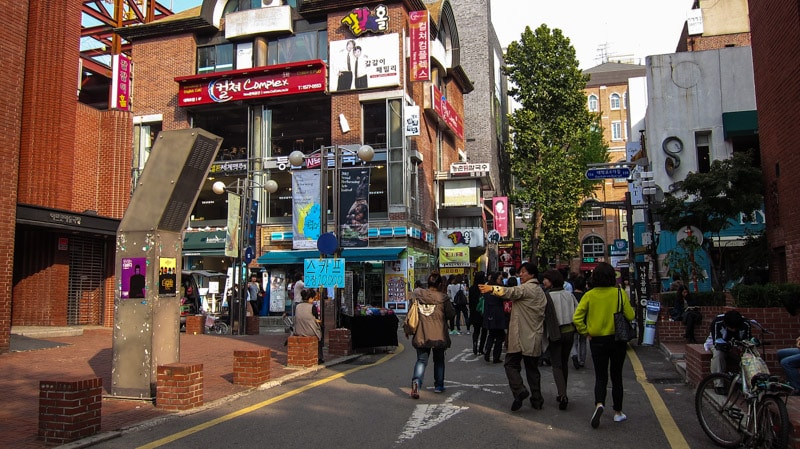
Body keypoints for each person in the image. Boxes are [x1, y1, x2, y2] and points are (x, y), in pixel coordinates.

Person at [573, 262, 635, 428]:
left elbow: (577, 318)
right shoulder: (619, 293)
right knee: (616, 376)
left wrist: (586, 332)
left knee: (600, 376)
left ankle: (599, 403)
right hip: (617, 340)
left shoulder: (589, 295)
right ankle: (618, 412)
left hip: (596, 340)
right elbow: (630, 314)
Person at [479, 262, 547, 412]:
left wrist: (492, 288)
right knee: (532, 368)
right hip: (534, 335)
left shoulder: (527, 288)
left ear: (532, 274)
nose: (520, 275)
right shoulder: (540, 290)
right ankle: (537, 399)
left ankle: (519, 390)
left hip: (521, 334)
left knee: (510, 364)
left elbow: (512, 292)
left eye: (523, 272)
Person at [407, 272, 455, 398]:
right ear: (439, 284)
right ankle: (439, 386)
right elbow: (451, 314)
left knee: (421, 360)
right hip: (438, 334)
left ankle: (416, 383)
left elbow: (411, 313)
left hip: (422, 332)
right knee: (439, 360)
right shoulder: (443, 298)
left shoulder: (418, 295)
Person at [542, 269, 579, 410]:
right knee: (564, 362)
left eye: (546, 279)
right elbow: (577, 312)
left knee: (556, 364)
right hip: (569, 332)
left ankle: (562, 394)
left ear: (552, 281)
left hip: (555, 333)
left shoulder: (547, 296)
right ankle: (563, 391)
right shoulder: (569, 295)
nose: (544, 281)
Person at [703, 309, 752, 393]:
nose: (733, 330)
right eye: (731, 328)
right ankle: (719, 385)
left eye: (735, 328)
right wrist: (726, 346)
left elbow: (747, 341)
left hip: (737, 345)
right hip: (718, 344)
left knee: (749, 356)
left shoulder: (745, 323)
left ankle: (748, 384)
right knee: (718, 354)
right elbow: (716, 341)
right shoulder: (717, 321)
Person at [483, 271, 507, 363]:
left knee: (492, 334)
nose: (502, 280)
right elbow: (505, 297)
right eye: (500, 279)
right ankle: (496, 356)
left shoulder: (487, 288)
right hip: (498, 313)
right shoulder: (497, 288)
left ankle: (487, 351)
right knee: (500, 336)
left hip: (489, 313)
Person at [294, 289, 323, 364]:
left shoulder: (297, 306)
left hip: (298, 330)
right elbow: (316, 318)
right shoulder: (312, 307)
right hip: (310, 331)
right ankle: (319, 357)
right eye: (313, 298)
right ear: (310, 298)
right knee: (319, 335)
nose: (313, 300)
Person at [570, 275, 588, 369]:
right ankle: (582, 361)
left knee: (574, 341)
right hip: (584, 322)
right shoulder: (586, 296)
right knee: (583, 341)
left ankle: (574, 354)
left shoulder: (570, 296)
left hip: (573, 321)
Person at [468, 271, 488, 355]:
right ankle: (481, 348)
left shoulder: (472, 288)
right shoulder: (485, 288)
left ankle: (475, 344)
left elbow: (470, 302)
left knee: (476, 331)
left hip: (474, 312)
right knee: (484, 331)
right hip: (483, 312)